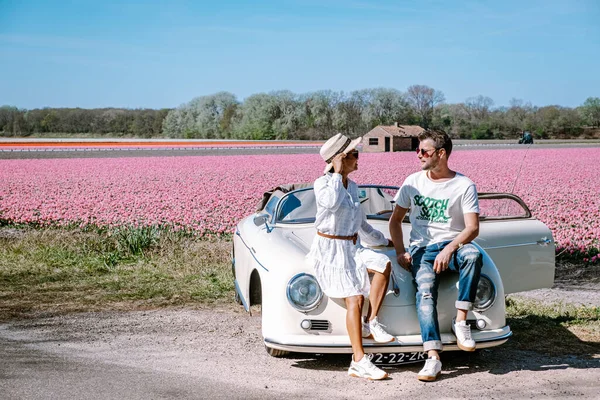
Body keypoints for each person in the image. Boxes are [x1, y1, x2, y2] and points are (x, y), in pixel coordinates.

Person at [389, 129, 483, 382]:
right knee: (426, 291)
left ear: (441, 154)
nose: (418, 155)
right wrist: (401, 251)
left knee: (473, 255)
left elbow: (472, 228)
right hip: (422, 250)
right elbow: (395, 221)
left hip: (452, 246)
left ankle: (461, 321)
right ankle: (433, 357)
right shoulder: (413, 182)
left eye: (423, 151)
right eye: (418, 151)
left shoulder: (464, 185)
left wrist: (450, 248)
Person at [307, 133, 395, 381]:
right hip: (330, 251)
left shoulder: (354, 187)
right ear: (340, 158)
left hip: (351, 249)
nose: (359, 159)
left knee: (383, 263)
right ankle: (359, 360)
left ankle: (371, 321)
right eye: (355, 154)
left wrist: (383, 241)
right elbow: (332, 204)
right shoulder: (323, 184)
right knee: (354, 298)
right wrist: (336, 173)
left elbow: (360, 223)